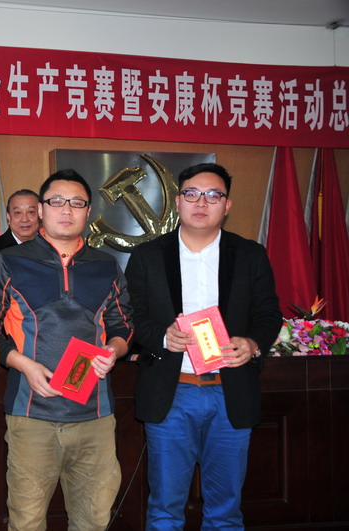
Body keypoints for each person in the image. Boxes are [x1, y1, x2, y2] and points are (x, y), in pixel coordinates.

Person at [124, 163, 282, 530]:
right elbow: (130, 315)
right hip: (172, 394)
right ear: (178, 201)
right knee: (165, 508)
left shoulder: (250, 255)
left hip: (230, 393)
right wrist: (162, 336)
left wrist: (253, 342)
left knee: (225, 511)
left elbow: (268, 313)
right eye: (192, 194)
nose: (201, 202)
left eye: (213, 195)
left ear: (227, 205)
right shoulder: (147, 256)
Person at [0, 169, 133, 531]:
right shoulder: (8, 262)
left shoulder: (106, 265)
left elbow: (123, 326)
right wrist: (23, 364)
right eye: (57, 201)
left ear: (88, 211)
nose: (67, 209)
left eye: (77, 203)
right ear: (40, 209)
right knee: (27, 522)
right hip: (31, 415)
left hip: (95, 417)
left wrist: (113, 351)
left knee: (93, 520)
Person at [0, 189, 40, 277]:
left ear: (41, 215)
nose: (24, 219)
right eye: (17, 213)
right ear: (8, 217)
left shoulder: (52, 246)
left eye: (31, 212)